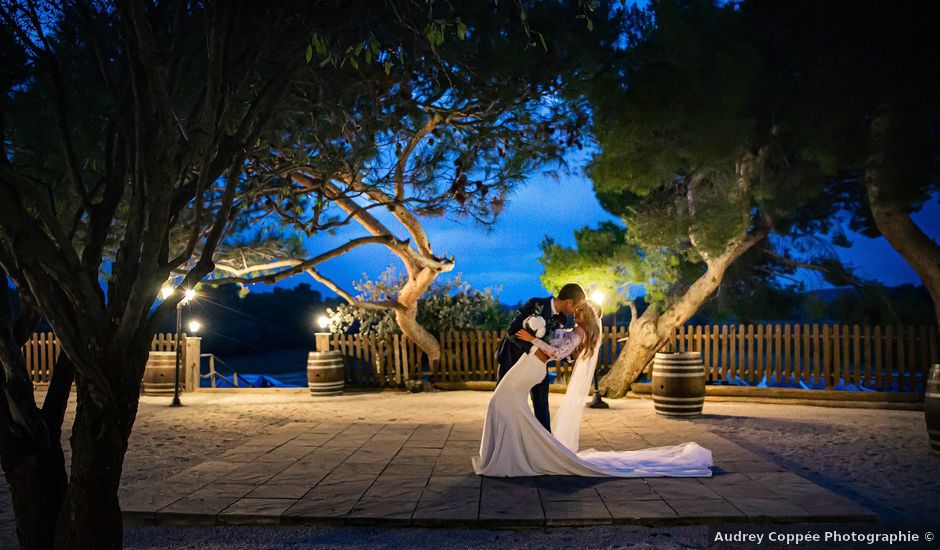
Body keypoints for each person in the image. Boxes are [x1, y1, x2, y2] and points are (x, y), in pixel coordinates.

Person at [473, 301, 713, 477]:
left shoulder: (580, 332)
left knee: (501, 404)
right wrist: (538, 334)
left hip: (533, 368)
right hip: (528, 366)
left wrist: (532, 337)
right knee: (506, 407)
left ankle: (521, 455)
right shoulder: (577, 331)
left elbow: (557, 354)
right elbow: (559, 348)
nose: (573, 312)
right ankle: (516, 454)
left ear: (584, 315)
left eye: (578, 310)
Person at [495, 283, 585, 432]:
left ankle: (545, 446)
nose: (575, 311)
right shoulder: (535, 304)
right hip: (512, 361)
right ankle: (505, 440)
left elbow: (553, 345)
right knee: (504, 403)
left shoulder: (562, 319)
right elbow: (512, 332)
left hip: (538, 366)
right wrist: (533, 349)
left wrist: (570, 357)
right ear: (569, 302)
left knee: (542, 405)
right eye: (576, 307)